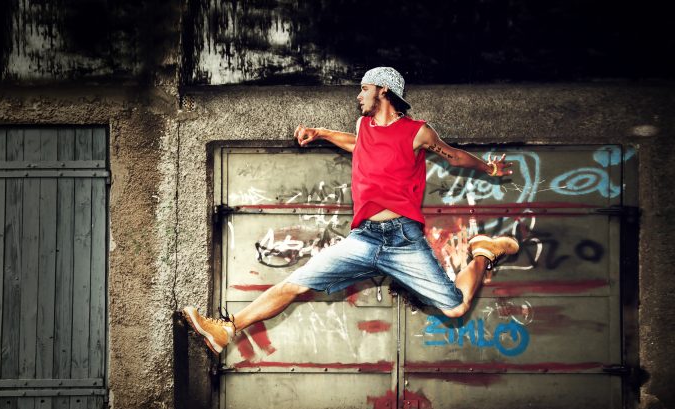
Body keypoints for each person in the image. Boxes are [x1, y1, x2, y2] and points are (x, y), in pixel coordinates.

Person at [182, 66, 518, 355]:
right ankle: (225, 329)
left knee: (457, 306)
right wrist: (321, 133)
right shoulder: (363, 128)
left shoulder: (417, 132)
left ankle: (483, 252)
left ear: (383, 90)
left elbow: (453, 155)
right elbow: (357, 144)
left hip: (403, 239)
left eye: (364, 88)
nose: (359, 95)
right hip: (364, 239)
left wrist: (489, 170)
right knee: (296, 283)